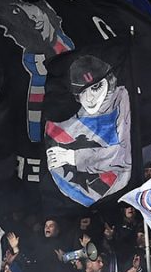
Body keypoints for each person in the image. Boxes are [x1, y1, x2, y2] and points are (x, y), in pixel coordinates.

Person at [45, 55, 132, 207]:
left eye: (96, 87)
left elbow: (121, 156)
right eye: (83, 92)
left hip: (117, 190)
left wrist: (74, 157)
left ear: (109, 81)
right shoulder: (63, 120)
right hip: (81, 197)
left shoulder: (120, 98)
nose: (91, 98)